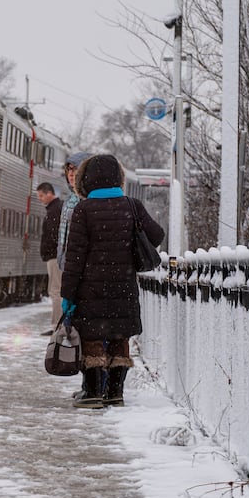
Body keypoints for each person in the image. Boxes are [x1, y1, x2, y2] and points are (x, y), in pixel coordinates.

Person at [60, 154, 165, 409]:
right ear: (118, 178)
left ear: (87, 179)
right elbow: (157, 235)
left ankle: (93, 392)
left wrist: (68, 295)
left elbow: (74, 257)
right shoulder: (132, 205)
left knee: (93, 337)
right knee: (120, 337)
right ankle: (115, 393)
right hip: (124, 285)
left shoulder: (83, 210)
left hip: (90, 288)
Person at [36, 181, 63, 335]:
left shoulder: (54, 211)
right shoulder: (56, 209)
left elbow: (53, 235)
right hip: (55, 255)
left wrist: (50, 251)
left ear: (49, 193)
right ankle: (57, 324)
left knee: (55, 290)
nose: (40, 199)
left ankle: (56, 326)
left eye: (41, 195)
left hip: (54, 257)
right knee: (56, 290)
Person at [56, 152, 91, 272]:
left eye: (75, 169)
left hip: (80, 266)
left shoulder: (88, 199)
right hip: (67, 264)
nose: (70, 173)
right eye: (68, 169)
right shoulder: (69, 199)